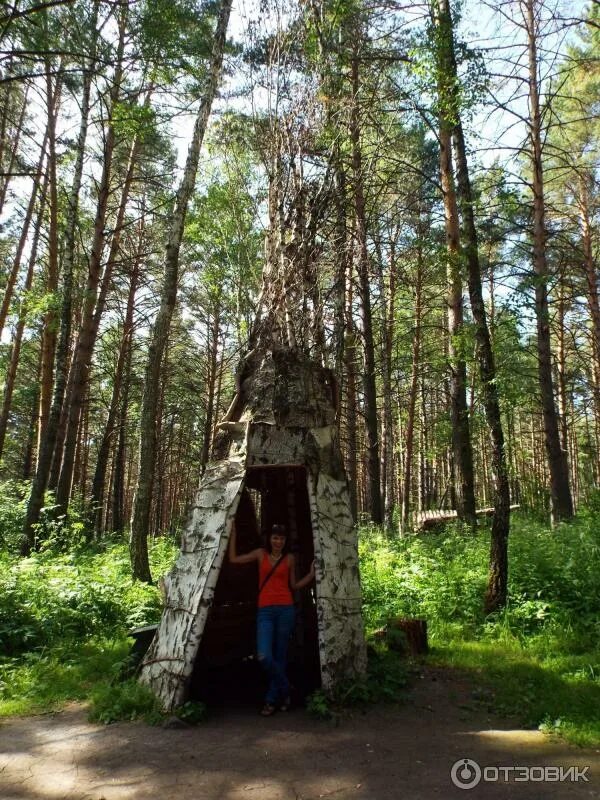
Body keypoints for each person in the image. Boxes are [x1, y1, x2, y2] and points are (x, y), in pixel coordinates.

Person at [228, 521, 315, 715]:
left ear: (285, 541)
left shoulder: (290, 559)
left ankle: (271, 699)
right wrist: (233, 535)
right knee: (264, 656)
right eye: (275, 537)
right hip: (265, 611)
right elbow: (233, 559)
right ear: (269, 538)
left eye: (282, 538)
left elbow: (293, 586)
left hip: (286, 609)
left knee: (280, 655)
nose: (278, 541)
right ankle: (286, 689)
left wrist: (310, 575)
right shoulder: (261, 554)